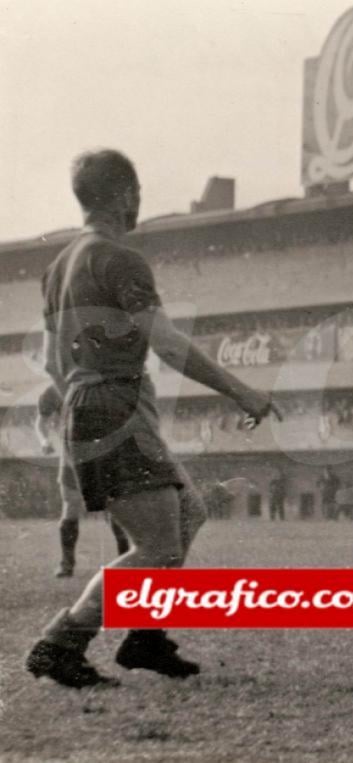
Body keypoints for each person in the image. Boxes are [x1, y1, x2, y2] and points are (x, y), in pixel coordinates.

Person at [25, 149, 281, 690]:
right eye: (136, 193)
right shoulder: (118, 258)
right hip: (114, 406)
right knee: (160, 546)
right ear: (125, 195)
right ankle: (61, 642)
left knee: (187, 512)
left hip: (89, 401)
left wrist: (83, 397)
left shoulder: (58, 267)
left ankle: (144, 634)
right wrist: (241, 391)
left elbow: (52, 361)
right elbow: (164, 342)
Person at [35, 384, 130, 577]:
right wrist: (44, 441)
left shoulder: (100, 384)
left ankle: (126, 559)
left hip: (104, 454)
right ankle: (66, 564)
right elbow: (41, 422)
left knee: (115, 508)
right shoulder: (53, 389)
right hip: (72, 455)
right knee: (70, 505)